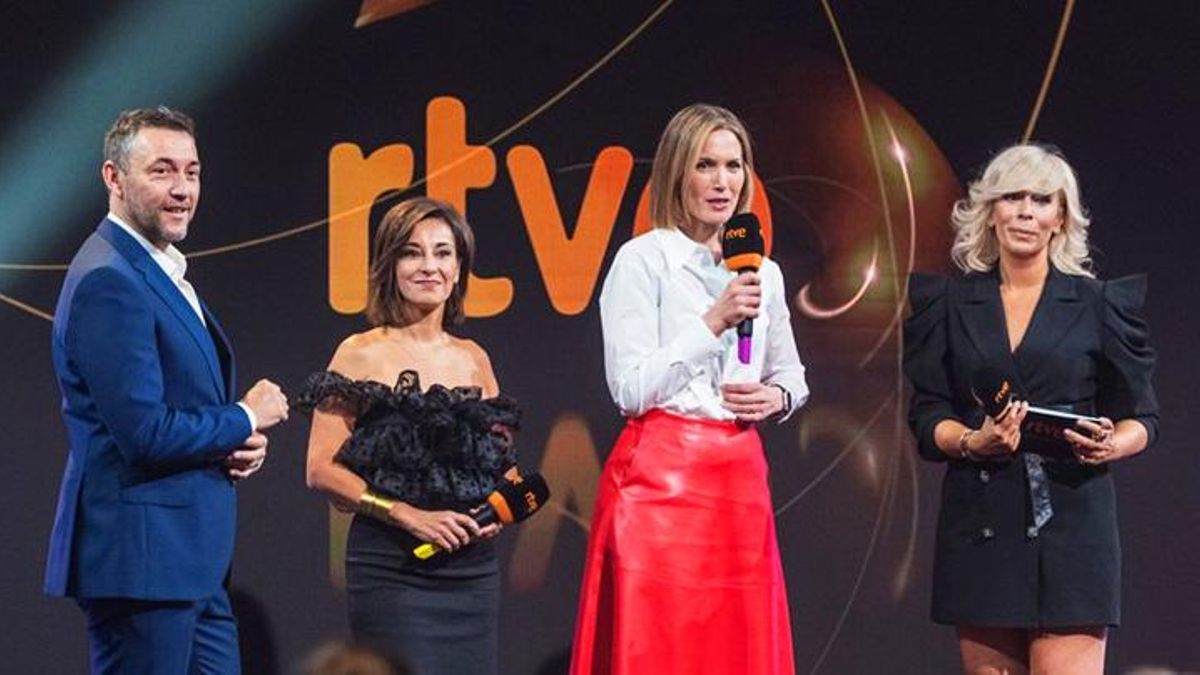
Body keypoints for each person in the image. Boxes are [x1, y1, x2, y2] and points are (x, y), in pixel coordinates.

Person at [44, 106, 290, 674]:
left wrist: (231, 440)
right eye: (161, 171)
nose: (183, 189)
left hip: (187, 566)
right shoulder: (110, 279)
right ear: (114, 178)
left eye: (193, 172)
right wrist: (245, 418)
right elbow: (145, 433)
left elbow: (170, 414)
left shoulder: (151, 267)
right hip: (142, 567)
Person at [569, 103, 809, 675]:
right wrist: (712, 323)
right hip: (659, 485)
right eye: (706, 164)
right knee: (656, 651)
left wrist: (778, 398)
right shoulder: (642, 260)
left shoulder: (763, 272)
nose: (722, 181)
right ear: (678, 172)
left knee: (737, 650)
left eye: (734, 165)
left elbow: (792, 374)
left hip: (739, 482)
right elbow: (630, 390)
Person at [903, 143, 1158, 674]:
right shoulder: (949, 305)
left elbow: (1142, 417)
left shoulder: (1099, 304)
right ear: (989, 212)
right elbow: (928, 416)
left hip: (1072, 519)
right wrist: (973, 442)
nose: (1025, 210)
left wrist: (1113, 442)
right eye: (1012, 197)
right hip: (981, 522)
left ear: (1060, 217)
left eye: (1041, 199)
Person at [299, 197, 519, 675]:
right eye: (412, 253)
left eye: (443, 253)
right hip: (391, 569)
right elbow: (320, 470)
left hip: (471, 571)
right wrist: (407, 515)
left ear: (460, 269)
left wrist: (498, 509)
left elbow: (503, 467)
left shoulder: (474, 358)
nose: (429, 267)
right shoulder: (359, 354)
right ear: (389, 264)